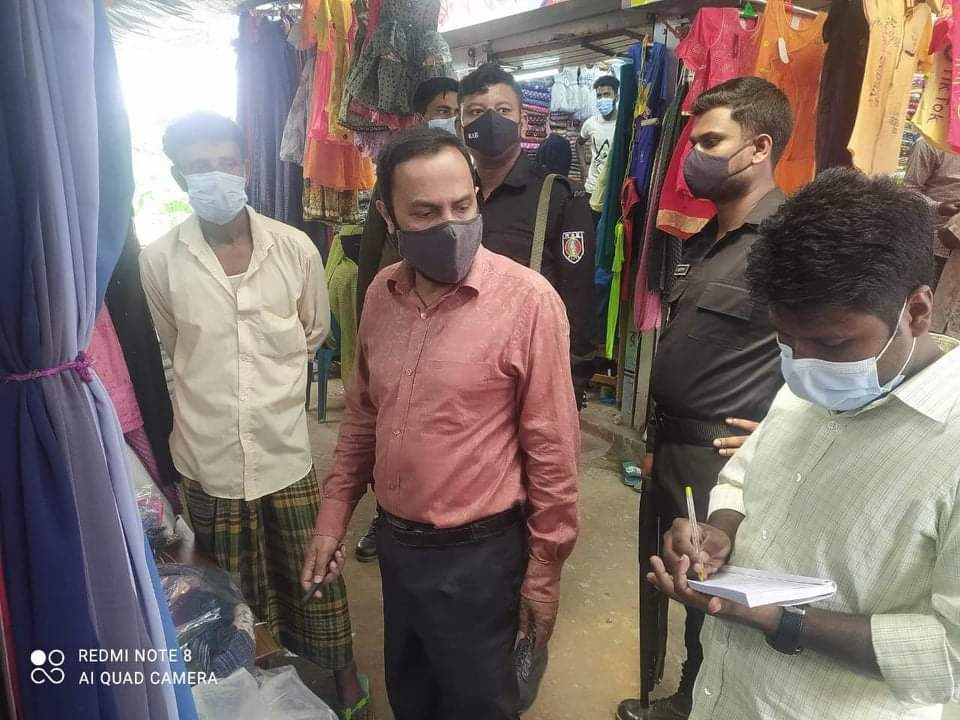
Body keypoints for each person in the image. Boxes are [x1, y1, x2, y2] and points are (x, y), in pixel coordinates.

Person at [648, 167, 960, 720]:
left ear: (916, 311)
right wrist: (719, 531)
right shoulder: (810, 385)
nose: (803, 363)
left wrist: (782, 620)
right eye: (785, 338)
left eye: (832, 343)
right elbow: (743, 476)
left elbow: (950, 655)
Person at [301, 128, 580, 720]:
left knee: (479, 703)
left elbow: (553, 452)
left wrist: (544, 572)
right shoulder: (381, 294)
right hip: (399, 546)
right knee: (413, 694)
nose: (450, 226)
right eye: (425, 213)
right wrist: (333, 519)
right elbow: (363, 419)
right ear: (389, 216)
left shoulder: (528, 302)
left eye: (462, 205)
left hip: (481, 560)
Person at [139, 113, 369, 718]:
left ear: (245, 166)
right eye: (199, 167)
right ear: (179, 178)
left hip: (283, 450)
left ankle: (344, 675)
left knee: (314, 574)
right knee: (230, 588)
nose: (215, 176)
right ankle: (255, 680)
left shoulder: (293, 247)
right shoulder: (160, 259)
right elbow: (173, 349)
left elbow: (314, 331)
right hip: (208, 455)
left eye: (226, 162)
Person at [617, 77, 793, 720]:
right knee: (674, 581)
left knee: (716, 592)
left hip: (726, 457)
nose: (693, 157)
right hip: (672, 446)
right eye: (693, 143)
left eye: (711, 142)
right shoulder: (703, 242)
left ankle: (700, 703)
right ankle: (685, 696)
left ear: (759, 148)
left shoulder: (789, 242)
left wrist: (783, 435)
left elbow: (838, 348)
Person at [352, 75, 460, 563]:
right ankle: (388, 514)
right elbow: (372, 248)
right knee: (395, 420)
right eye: (441, 110)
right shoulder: (398, 173)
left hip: (468, 317)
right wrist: (374, 310)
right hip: (403, 306)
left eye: (455, 110)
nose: (450, 118)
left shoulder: (469, 169)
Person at [459, 63, 597, 409]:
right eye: (475, 112)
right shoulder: (451, 198)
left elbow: (577, 302)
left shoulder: (559, 197)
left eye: (503, 110)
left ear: (522, 123)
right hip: (458, 374)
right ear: (461, 127)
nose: (490, 120)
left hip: (530, 378)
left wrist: (569, 385)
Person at [903, 136, 960, 284]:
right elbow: (909, 191)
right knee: (928, 294)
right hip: (935, 249)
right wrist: (938, 207)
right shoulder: (929, 144)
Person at [578, 74, 620, 226]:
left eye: (607, 94)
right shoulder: (591, 123)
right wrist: (584, 168)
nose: (602, 99)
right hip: (592, 187)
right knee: (591, 229)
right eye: (599, 96)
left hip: (614, 189)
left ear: (616, 96)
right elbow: (579, 143)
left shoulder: (622, 123)